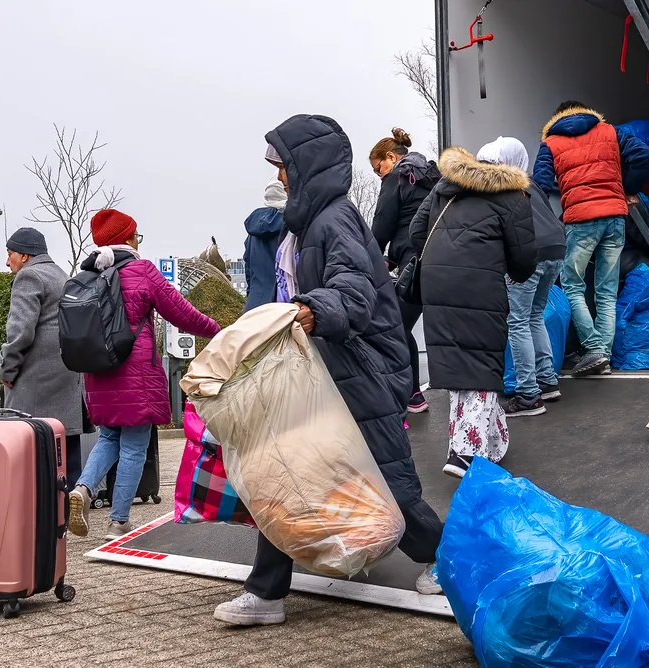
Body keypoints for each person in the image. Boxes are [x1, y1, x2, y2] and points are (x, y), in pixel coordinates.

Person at [213, 115, 446, 627]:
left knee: (388, 481)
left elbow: (354, 286)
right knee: (286, 472)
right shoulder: (304, 227)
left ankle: (445, 559)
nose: (278, 176)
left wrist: (316, 310)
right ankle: (266, 592)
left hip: (362, 368)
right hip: (324, 368)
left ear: (306, 166)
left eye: (283, 166)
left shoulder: (334, 220)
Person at [67, 209, 220, 540]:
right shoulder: (142, 271)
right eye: (136, 235)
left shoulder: (89, 276)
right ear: (127, 239)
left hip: (98, 374)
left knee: (109, 438)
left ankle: (83, 489)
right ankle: (118, 521)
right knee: (135, 447)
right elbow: (181, 313)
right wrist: (218, 330)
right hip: (135, 375)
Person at [410, 147, 536, 479]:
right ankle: (465, 452)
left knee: (458, 363)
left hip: (436, 283)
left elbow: (416, 232)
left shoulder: (445, 186)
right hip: (479, 285)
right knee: (481, 363)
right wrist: (512, 269)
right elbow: (524, 257)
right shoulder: (512, 195)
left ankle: (492, 444)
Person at [533, 101, 649, 376]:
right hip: (615, 217)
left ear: (556, 119)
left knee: (572, 285)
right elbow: (642, 155)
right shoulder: (610, 132)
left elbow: (539, 186)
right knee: (607, 290)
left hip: (581, 220)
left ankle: (595, 348)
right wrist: (626, 190)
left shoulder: (551, 143)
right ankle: (603, 357)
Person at [478, 137, 566, 416]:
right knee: (535, 316)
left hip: (531, 254)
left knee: (517, 321)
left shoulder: (501, 186)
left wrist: (514, 264)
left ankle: (528, 394)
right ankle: (547, 381)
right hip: (556, 249)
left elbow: (504, 228)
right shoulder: (529, 182)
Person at [0, 227, 84, 490]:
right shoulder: (62, 275)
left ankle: (39, 511)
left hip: (37, 383)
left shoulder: (29, 276)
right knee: (66, 452)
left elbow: (20, 332)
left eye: (10, 253)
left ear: (24, 256)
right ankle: (68, 506)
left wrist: (7, 370)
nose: (7, 261)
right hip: (67, 377)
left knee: (34, 456)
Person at [369, 128, 441, 413]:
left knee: (396, 326)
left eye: (378, 168)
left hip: (415, 264)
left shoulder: (396, 177)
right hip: (440, 260)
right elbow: (412, 220)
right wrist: (392, 258)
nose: (379, 175)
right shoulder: (431, 175)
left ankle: (412, 394)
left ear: (391, 157)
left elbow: (383, 224)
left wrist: (369, 258)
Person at [243, 176, 286, 311]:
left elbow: (249, 273)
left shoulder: (252, 232)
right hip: (281, 308)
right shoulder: (292, 227)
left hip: (254, 307)